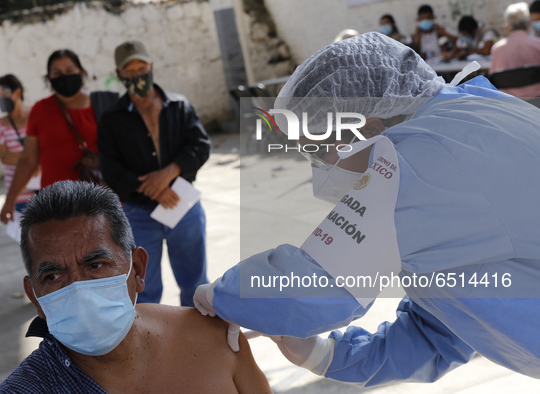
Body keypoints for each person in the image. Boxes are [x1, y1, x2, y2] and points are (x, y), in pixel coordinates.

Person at [194, 32, 540, 386]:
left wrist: (219, 295)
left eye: (319, 152)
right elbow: (448, 324)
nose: (320, 170)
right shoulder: (473, 111)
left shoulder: (418, 168)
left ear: (367, 129)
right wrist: (325, 354)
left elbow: (315, 288)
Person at [0, 180, 271, 393]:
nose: (79, 290)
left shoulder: (214, 337)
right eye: (53, 276)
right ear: (35, 297)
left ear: (137, 269)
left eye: (96, 265)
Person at [98, 40, 210, 306]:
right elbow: (111, 169)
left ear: (151, 66)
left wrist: (170, 172)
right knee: (144, 291)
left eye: (141, 66)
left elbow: (200, 145)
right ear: (120, 74)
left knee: (196, 285)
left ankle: (198, 341)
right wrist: (152, 187)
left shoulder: (179, 105)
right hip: (138, 215)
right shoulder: (112, 119)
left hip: (182, 204)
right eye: (130, 70)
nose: (138, 74)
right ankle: (152, 344)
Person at [0, 49, 118, 225]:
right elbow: (28, 160)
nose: (64, 77)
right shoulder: (40, 110)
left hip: (103, 206)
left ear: (82, 73)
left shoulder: (106, 104)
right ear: (49, 79)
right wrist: (10, 200)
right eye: (57, 73)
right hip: (58, 210)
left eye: (70, 71)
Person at [0, 74, 41, 242]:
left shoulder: (37, 115)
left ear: (17, 93)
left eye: (4, 95)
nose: (0, 100)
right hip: (19, 195)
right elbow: (5, 157)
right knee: (32, 244)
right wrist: (33, 156)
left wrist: (25, 157)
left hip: (45, 189)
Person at [490, 2, 540, 97]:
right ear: (529, 24)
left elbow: (495, 79)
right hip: (537, 103)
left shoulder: (497, 49)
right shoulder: (538, 44)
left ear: (507, 27)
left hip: (510, 106)